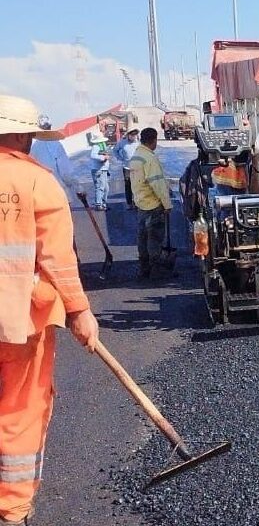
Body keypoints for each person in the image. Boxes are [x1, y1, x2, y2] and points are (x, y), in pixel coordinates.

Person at [0, 94, 99, 525]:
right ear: (24, 135)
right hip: (18, 322)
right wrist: (79, 311)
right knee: (19, 411)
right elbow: (58, 259)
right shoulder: (36, 183)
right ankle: (12, 510)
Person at [129, 128, 174, 280]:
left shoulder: (136, 156)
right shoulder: (149, 158)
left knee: (142, 238)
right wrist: (167, 204)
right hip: (153, 204)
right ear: (153, 140)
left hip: (141, 203)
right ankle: (157, 271)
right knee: (154, 237)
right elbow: (157, 183)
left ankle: (144, 269)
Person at [29, 116, 78, 203]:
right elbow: (66, 172)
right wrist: (78, 187)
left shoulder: (33, 148)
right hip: (58, 192)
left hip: (40, 194)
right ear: (50, 127)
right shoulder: (56, 145)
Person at [113, 128, 140, 210]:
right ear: (128, 135)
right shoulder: (122, 143)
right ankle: (129, 203)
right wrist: (120, 158)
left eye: (135, 135)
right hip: (127, 167)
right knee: (128, 185)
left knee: (137, 185)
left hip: (137, 168)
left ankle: (137, 203)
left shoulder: (138, 143)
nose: (134, 137)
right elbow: (115, 150)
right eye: (132, 135)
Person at [87, 132, 110, 211]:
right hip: (98, 170)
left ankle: (103, 203)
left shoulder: (102, 145)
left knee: (106, 188)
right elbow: (93, 155)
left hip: (103, 169)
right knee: (100, 187)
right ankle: (98, 204)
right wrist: (103, 157)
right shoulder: (96, 146)